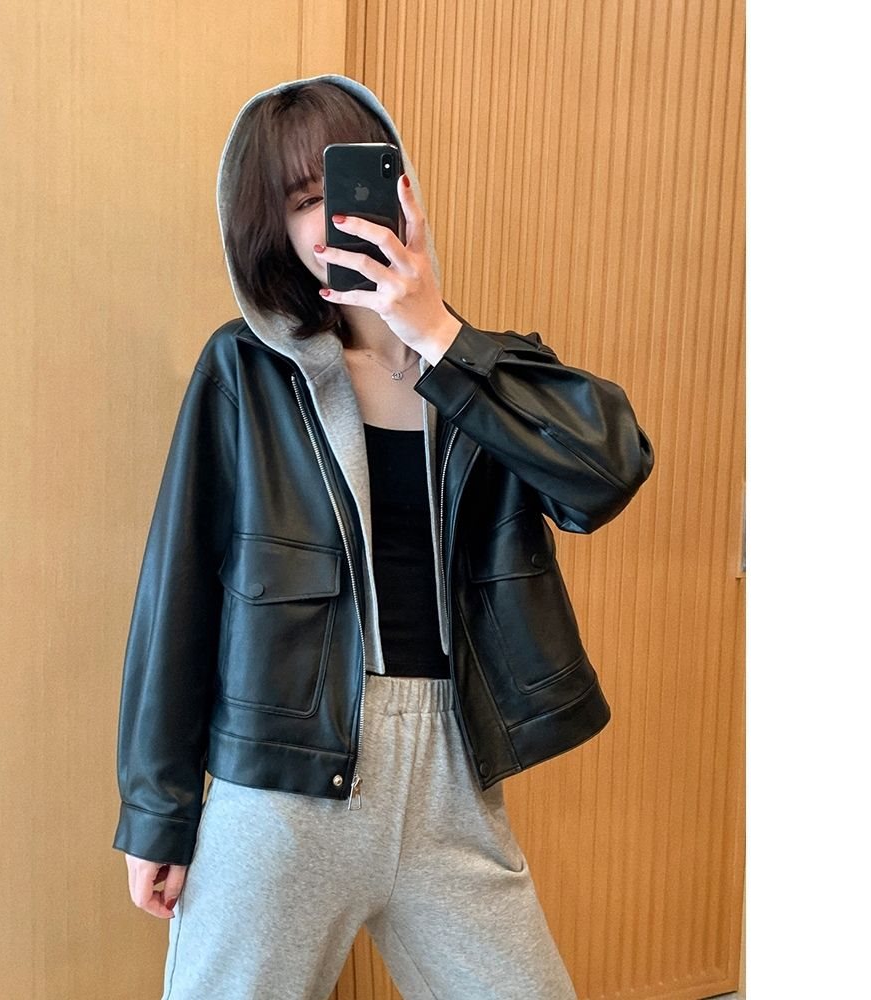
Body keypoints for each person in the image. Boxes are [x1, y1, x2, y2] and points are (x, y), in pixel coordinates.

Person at [114, 74, 653, 1000]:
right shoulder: (244, 370)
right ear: (272, 230)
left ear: (401, 188)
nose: (330, 217)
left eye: (347, 183)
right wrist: (156, 812)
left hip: (450, 781)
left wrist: (436, 333)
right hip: (279, 789)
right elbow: (179, 591)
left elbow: (606, 473)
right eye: (302, 201)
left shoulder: (483, 373)